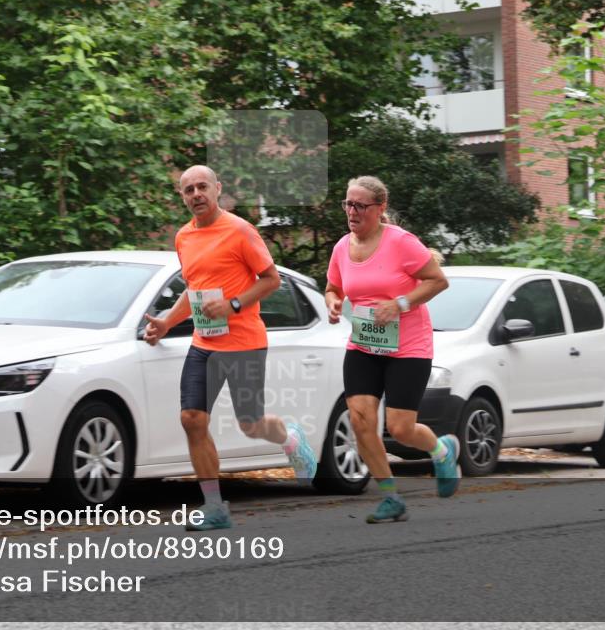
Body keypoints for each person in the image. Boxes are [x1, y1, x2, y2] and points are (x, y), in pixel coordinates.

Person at [143, 165, 318, 531]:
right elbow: (195, 288)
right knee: (192, 419)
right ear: (182, 196)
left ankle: (289, 436)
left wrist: (234, 305)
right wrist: (166, 322)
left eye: (202, 186)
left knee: (250, 424)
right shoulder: (183, 237)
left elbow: (271, 280)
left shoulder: (240, 230)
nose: (196, 195)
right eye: (188, 189)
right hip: (204, 342)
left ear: (217, 188)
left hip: (244, 343)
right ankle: (214, 507)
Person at [324, 176, 458, 524]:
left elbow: (438, 281)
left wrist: (398, 304)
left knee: (400, 428)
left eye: (360, 206)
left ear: (379, 209)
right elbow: (332, 287)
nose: (352, 212)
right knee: (360, 419)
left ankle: (442, 450)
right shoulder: (342, 247)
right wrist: (334, 303)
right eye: (347, 204)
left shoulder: (401, 243)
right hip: (364, 344)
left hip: (407, 346)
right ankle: (390, 497)